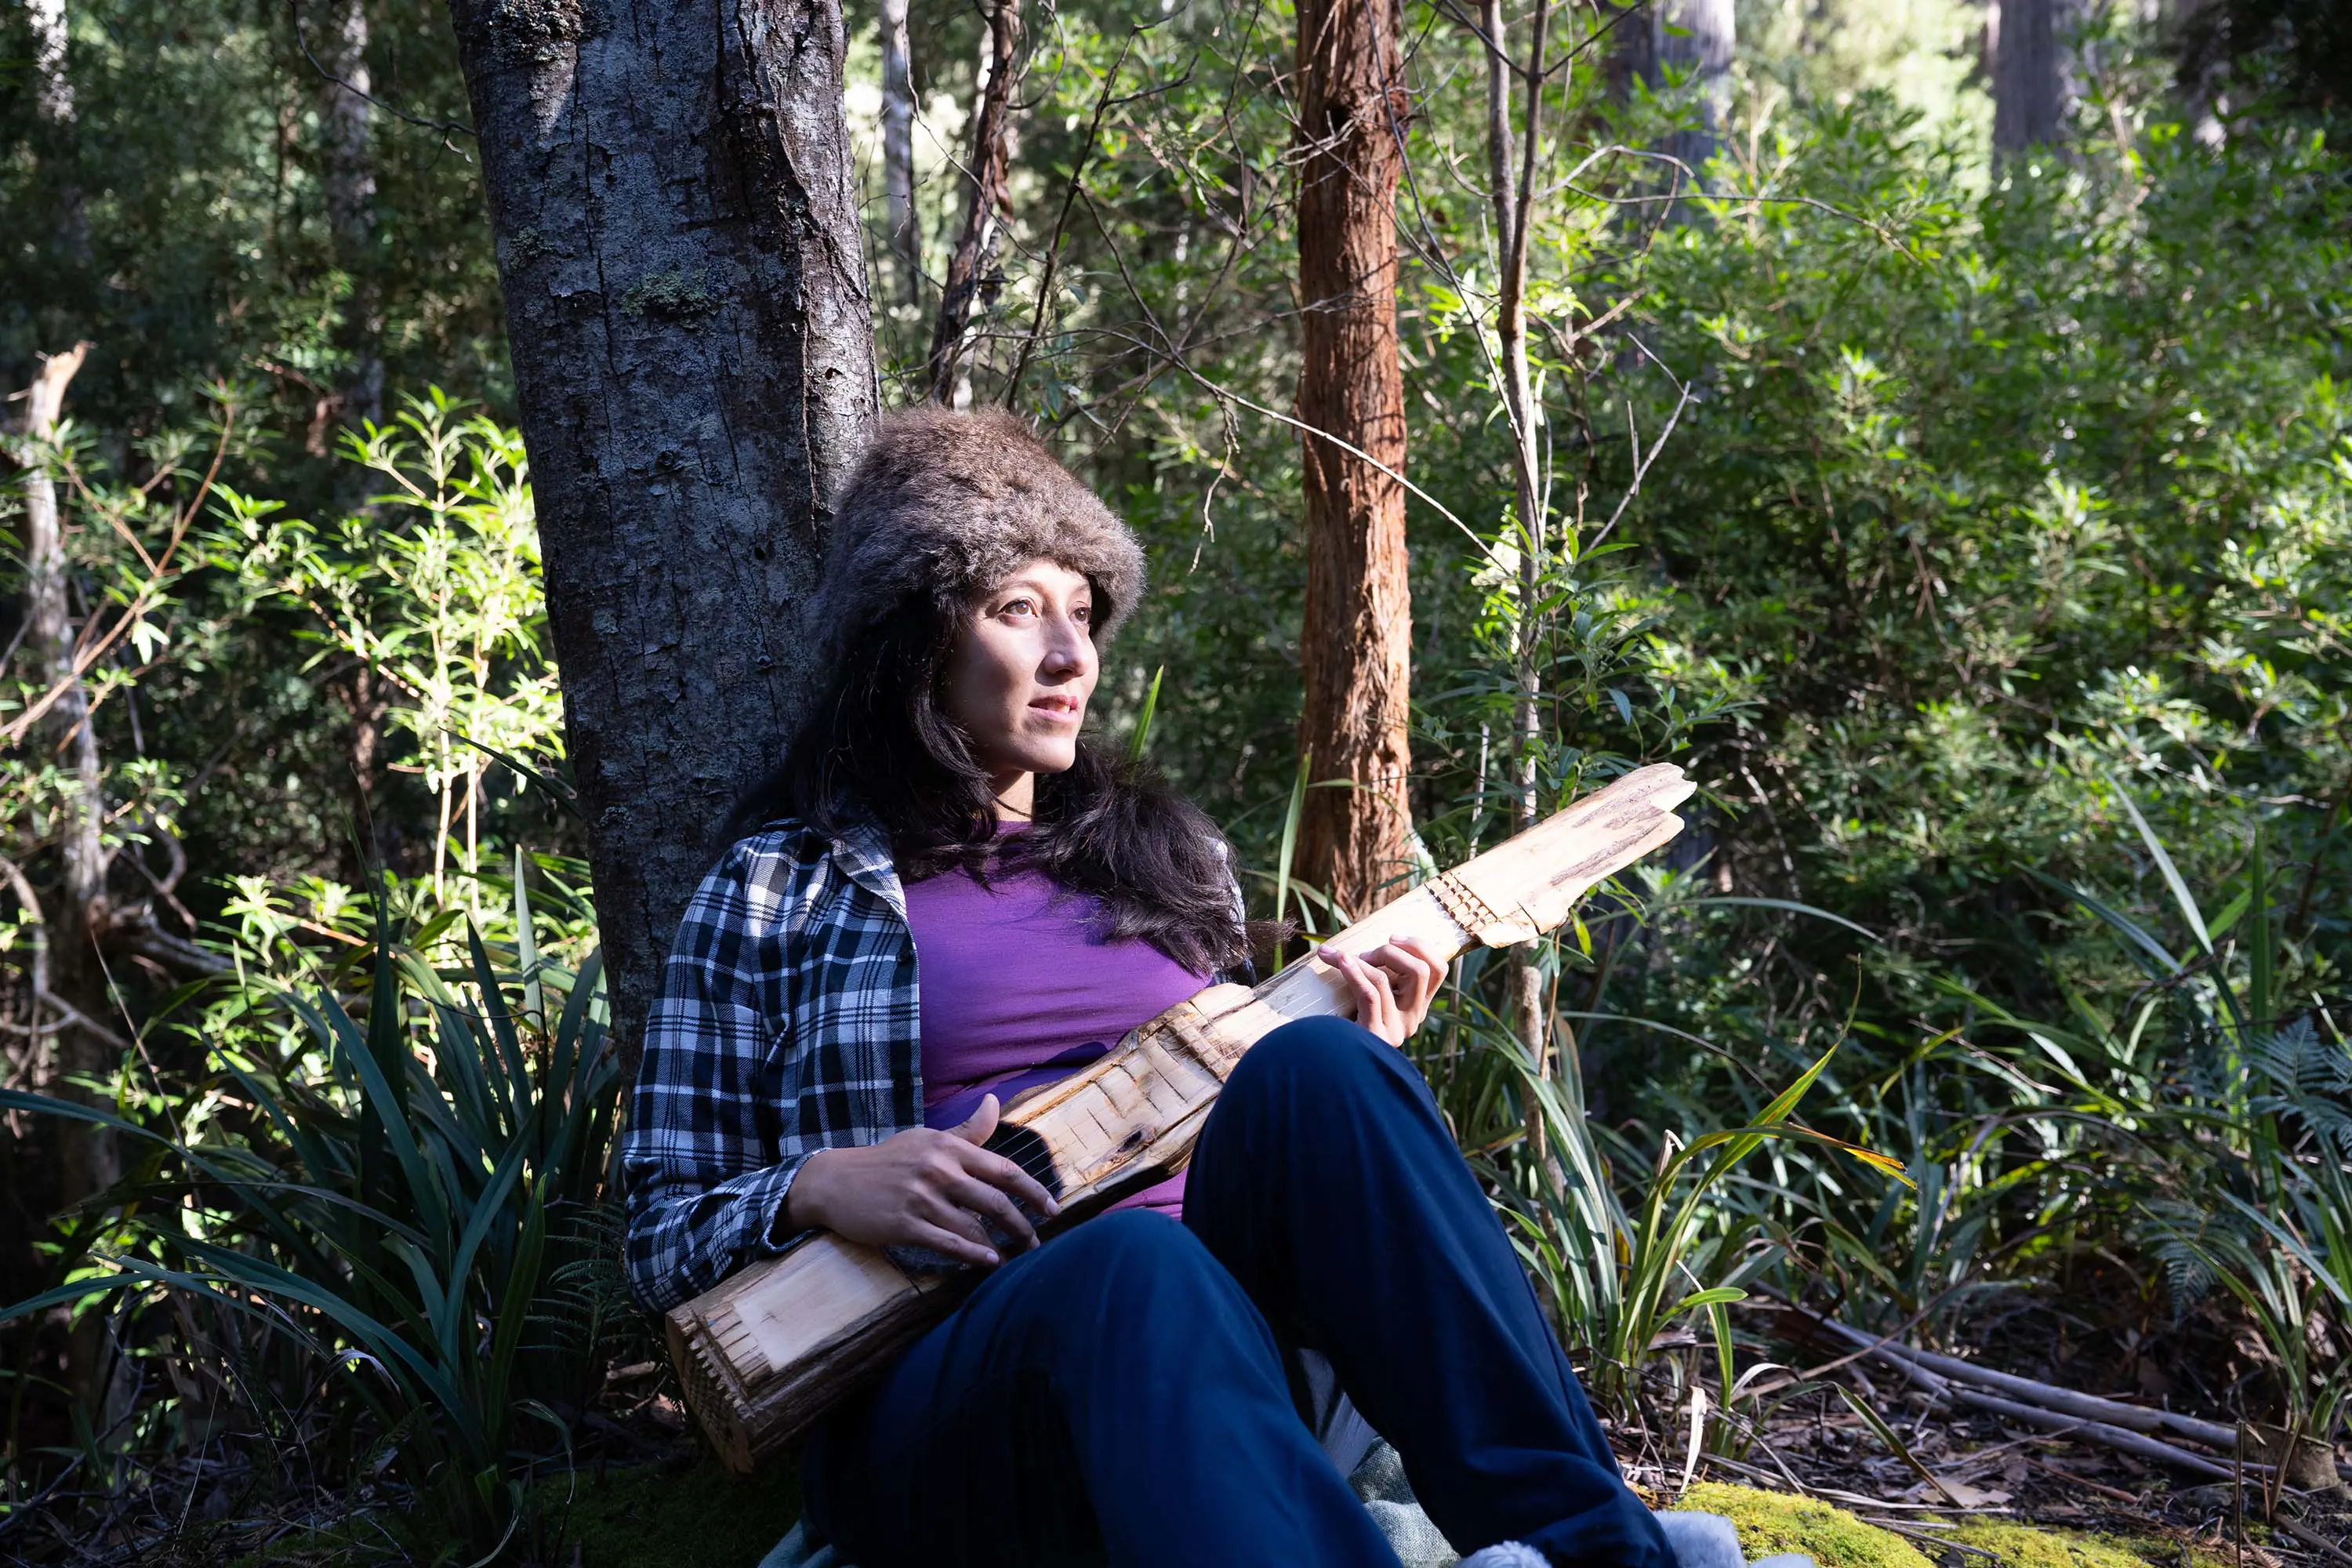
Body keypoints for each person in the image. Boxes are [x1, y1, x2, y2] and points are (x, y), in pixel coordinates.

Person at [621, 408, 1681, 1568]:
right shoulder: (783, 884)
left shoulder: (1167, 859)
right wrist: (822, 1185)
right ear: (912, 636)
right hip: (948, 1400)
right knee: (1136, 1262)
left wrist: (1365, 1053)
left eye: (1084, 612)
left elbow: (1231, 1125)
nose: (1072, 656)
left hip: (1226, 1367)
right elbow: (661, 1232)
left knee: (1323, 1069)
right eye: (1019, 610)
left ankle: (1599, 1552)